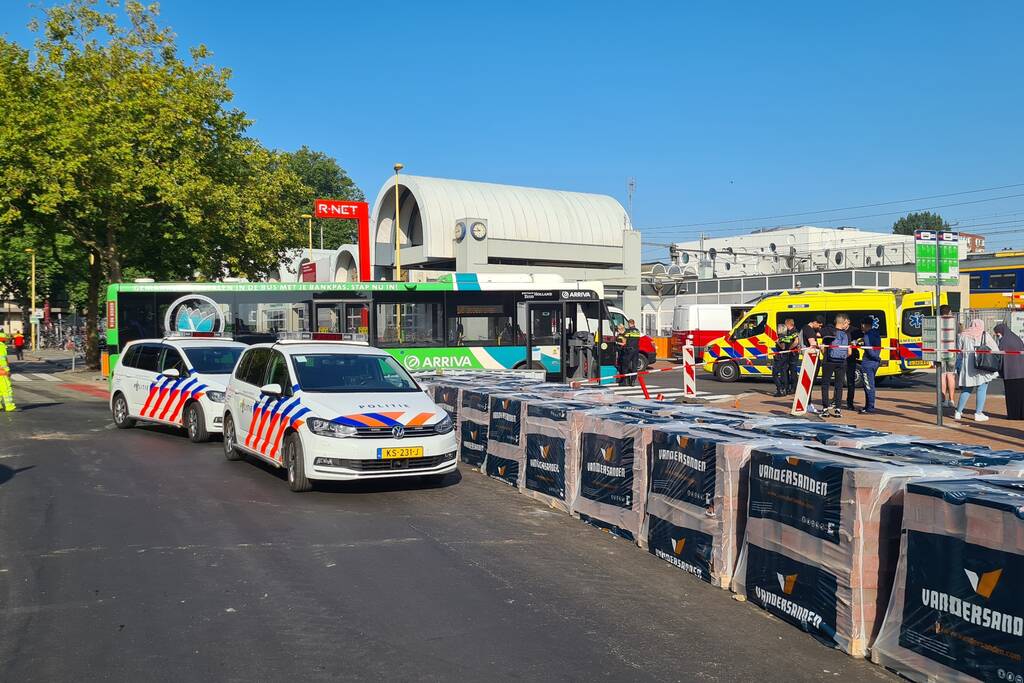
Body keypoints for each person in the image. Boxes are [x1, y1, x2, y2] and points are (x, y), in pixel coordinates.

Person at [954, 319, 999, 421]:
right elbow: (995, 348)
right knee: (982, 388)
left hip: (967, 366)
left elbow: (959, 351)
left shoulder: (962, 335)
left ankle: (958, 412)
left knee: (966, 389)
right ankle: (978, 413)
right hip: (981, 365)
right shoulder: (984, 334)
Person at [820, 314, 851, 418]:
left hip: (829, 361)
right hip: (842, 362)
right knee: (839, 385)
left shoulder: (829, 333)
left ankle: (825, 409)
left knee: (825, 385)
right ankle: (837, 409)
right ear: (843, 323)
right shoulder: (847, 335)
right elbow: (849, 352)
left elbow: (823, 349)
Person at [994, 322, 1024, 420]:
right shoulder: (1016, 338)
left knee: (1012, 396)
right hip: (1021, 372)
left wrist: (999, 369)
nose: (998, 336)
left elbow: (1000, 357)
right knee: (1021, 395)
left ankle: (1013, 415)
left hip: (1010, 373)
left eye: (997, 334)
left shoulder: (1004, 341)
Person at [858, 316, 882, 414]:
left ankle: (870, 407)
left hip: (868, 362)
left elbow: (869, 349)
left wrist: (876, 357)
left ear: (864, 325)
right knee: (870, 385)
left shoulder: (867, 335)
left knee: (868, 386)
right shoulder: (876, 333)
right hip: (875, 363)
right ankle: (868, 406)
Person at [772, 320, 799, 397]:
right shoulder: (788, 335)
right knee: (785, 373)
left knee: (777, 374)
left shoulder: (785, 335)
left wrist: (778, 342)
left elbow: (786, 345)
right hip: (787, 356)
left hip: (786, 356)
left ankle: (782, 389)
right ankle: (785, 389)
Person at [938, 305, 957, 408]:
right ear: (949, 312)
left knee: (942, 376)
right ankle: (952, 400)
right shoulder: (954, 322)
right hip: (951, 352)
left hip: (940, 352)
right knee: (950, 375)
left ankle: (943, 400)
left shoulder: (937, 322)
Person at [845, 322, 862, 411]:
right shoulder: (839, 330)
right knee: (838, 381)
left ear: (847, 322)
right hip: (841, 357)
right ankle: (836, 401)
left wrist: (857, 343)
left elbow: (862, 339)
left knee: (850, 382)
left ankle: (850, 403)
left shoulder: (855, 331)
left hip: (851, 358)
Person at [622, 319, 642, 387]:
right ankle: (633, 381)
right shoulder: (637, 331)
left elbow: (624, 339)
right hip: (636, 350)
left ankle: (625, 380)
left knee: (625, 365)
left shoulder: (628, 331)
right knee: (634, 366)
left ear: (630, 324)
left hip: (629, 350)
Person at [0, 340, 15, 412]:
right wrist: (6, 371)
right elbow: (3, 360)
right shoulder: (1, 346)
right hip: (2, 373)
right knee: (6, 389)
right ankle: (9, 406)